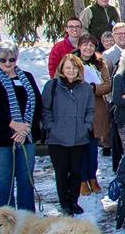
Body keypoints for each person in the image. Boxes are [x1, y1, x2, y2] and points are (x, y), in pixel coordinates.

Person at [0, 41, 43, 211]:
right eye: (3, 60)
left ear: (16, 59)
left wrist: (25, 128)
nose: (7, 64)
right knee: (5, 180)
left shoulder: (26, 77)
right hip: (0, 139)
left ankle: (27, 218)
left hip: (25, 137)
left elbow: (38, 104)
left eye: (11, 60)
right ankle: (5, 218)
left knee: (26, 179)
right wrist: (12, 124)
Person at [42, 54, 95, 216]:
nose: (71, 71)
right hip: (58, 138)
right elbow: (45, 110)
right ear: (62, 69)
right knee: (62, 171)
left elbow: (90, 110)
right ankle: (64, 202)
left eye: (74, 67)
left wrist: (86, 126)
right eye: (68, 67)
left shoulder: (85, 88)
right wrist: (51, 127)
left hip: (79, 137)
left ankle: (74, 200)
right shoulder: (52, 86)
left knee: (76, 171)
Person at [72, 35, 111, 195]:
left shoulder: (100, 63)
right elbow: (60, 82)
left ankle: (92, 177)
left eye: (91, 46)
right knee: (80, 146)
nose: (88, 48)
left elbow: (108, 84)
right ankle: (81, 179)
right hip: (76, 109)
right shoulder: (71, 60)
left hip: (96, 108)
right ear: (80, 46)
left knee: (92, 147)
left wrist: (93, 88)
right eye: (85, 45)